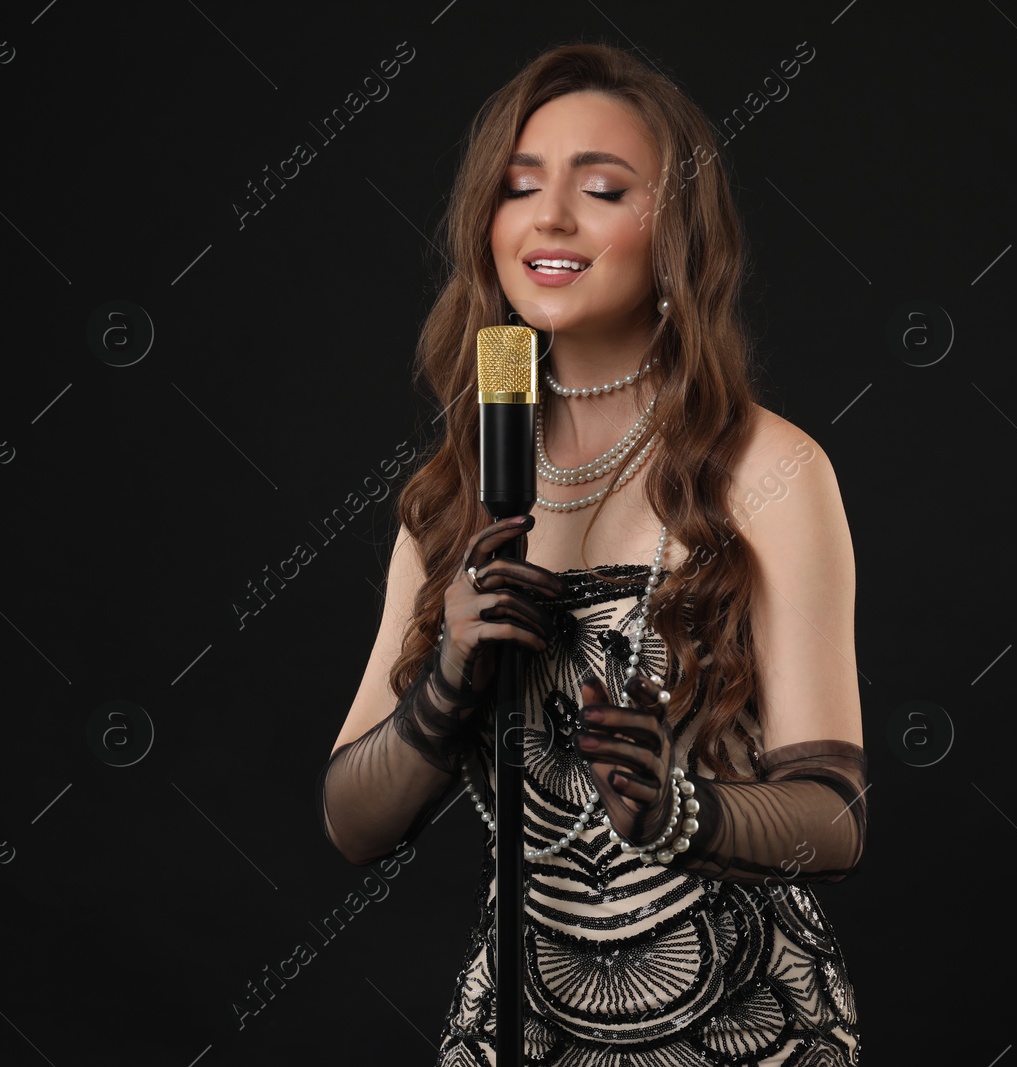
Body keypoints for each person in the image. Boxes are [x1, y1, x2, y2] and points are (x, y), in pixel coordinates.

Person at [315, 42, 866, 1066]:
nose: (550, 218)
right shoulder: (454, 492)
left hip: (746, 1024)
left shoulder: (770, 469)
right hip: (521, 1025)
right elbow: (352, 820)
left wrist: (678, 805)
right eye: (518, 188)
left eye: (602, 188)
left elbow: (834, 820)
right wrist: (446, 679)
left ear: (678, 233)